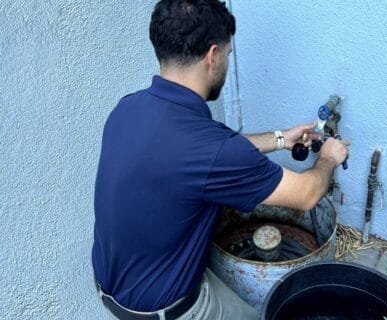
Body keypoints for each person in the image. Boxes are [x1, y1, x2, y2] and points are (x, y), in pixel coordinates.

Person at [92, 0, 349, 319]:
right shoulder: (211, 150)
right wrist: (328, 157)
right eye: (228, 54)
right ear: (212, 56)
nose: (226, 62)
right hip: (166, 310)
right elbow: (308, 195)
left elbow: (211, 152)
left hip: (116, 284)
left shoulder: (127, 109)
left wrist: (281, 138)